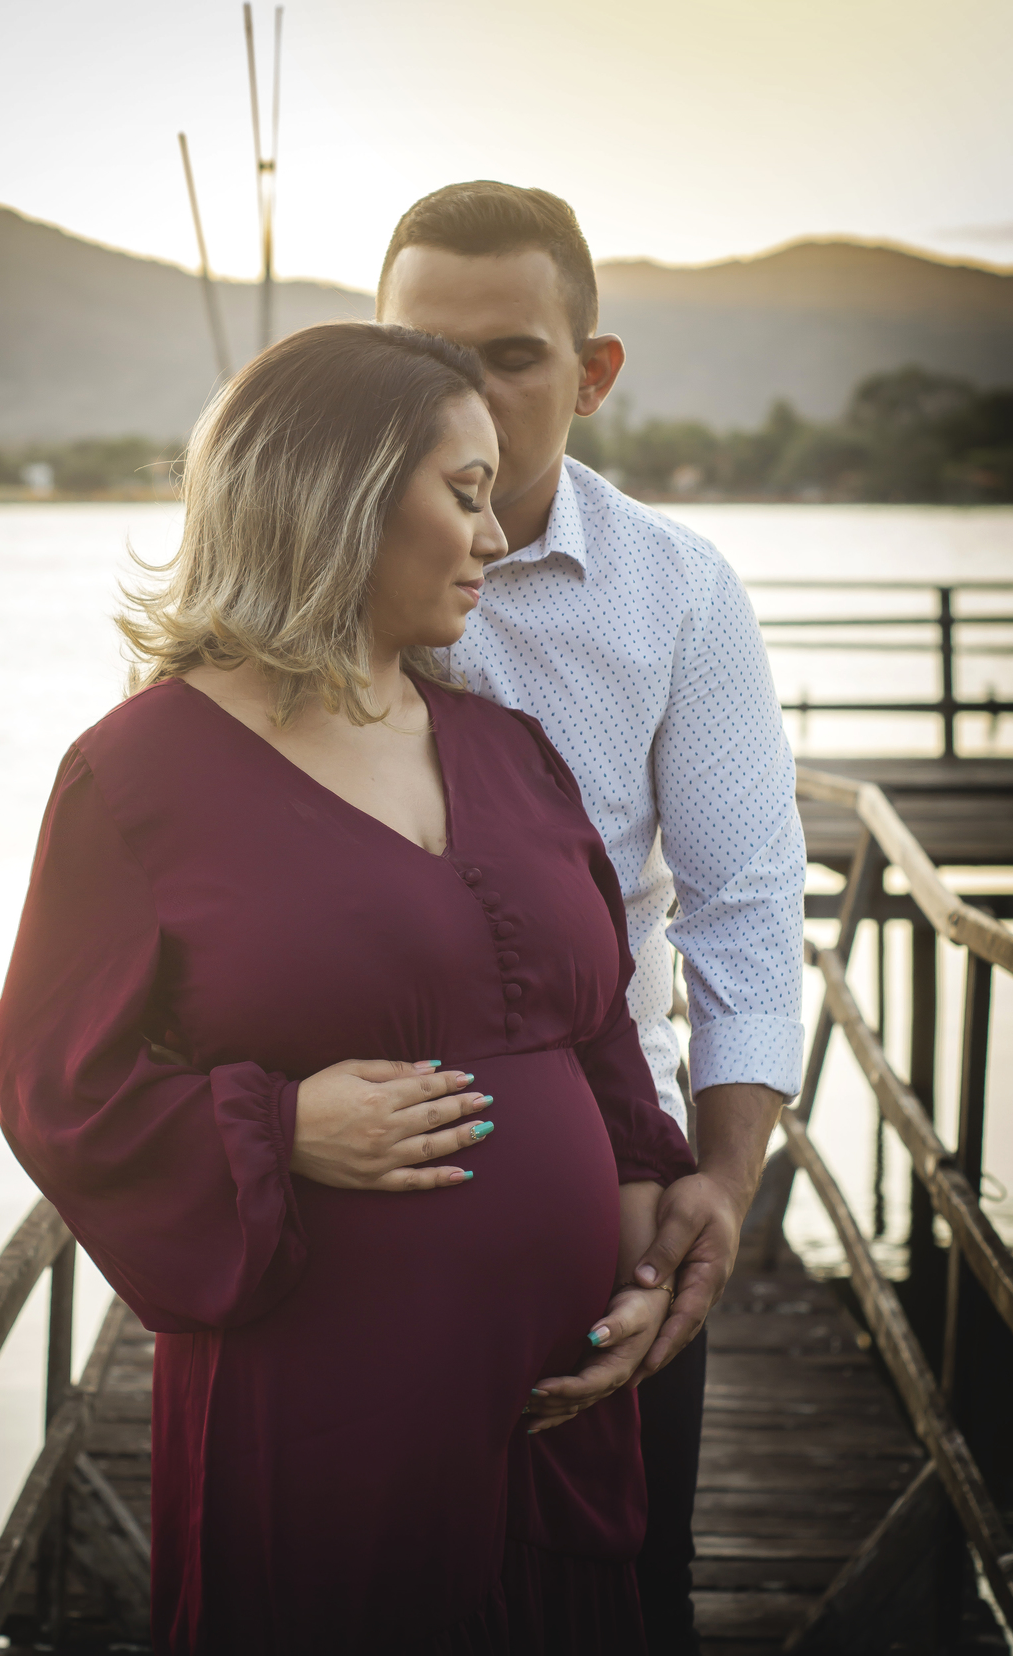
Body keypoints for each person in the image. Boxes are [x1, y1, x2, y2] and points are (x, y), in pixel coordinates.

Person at [0, 322, 696, 1655]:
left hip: (558, 1413)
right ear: (341, 493)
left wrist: (645, 1262)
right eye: (467, 494)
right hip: (326, 1413)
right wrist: (280, 1127)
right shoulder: (137, 777)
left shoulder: (511, 749)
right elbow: (58, 1090)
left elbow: (599, 1027)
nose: (496, 538)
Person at [376, 182, 806, 1653]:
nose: (463, 398)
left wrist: (724, 1183)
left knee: (620, 1584)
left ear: (594, 373)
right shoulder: (293, 575)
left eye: (511, 357)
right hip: (348, 1175)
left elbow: (745, 906)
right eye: (421, 356)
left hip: (604, 1178)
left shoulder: (676, 593)